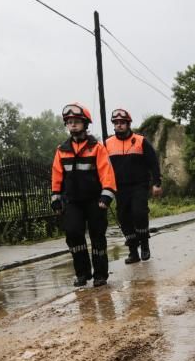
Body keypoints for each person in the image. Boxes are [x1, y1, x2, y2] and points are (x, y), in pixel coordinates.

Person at [51, 103, 117, 287]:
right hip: (72, 202)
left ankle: (100, 275)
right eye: (69, 122)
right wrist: (56, 199)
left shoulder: (97, 148)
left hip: (95, 201)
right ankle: (82, 273)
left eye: (76, 121)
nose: (72, 125)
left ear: (85, 124)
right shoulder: (61, 150)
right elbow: (56, 176)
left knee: (97, 237)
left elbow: (107, 174)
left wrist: (106, 196)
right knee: (72, 234)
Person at [105, 108, 161, 263]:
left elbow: (153, 163)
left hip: (139, 185)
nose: (119, 125)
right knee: (124, 218)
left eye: (122, 123)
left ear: (128, 124)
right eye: (116, 123)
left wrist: (157, 183)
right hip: (119, 188)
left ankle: (144, 243)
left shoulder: (141, 141)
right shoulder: (107, 143)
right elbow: (103, 167)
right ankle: (133, 252)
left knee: (139, 213)